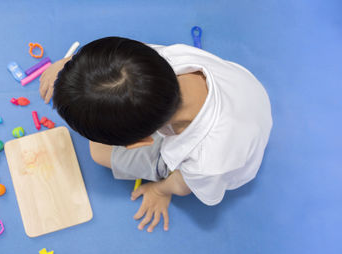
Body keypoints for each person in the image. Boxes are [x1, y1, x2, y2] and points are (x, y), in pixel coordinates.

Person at [39, 37, 272, 232]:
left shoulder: (207, 161)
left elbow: (183, 185)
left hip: (227, 150)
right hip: (242, 92)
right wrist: (73, 67)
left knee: (97, 152)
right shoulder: (164, 59)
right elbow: (118, 61)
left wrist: (160, 190)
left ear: (140, 142)